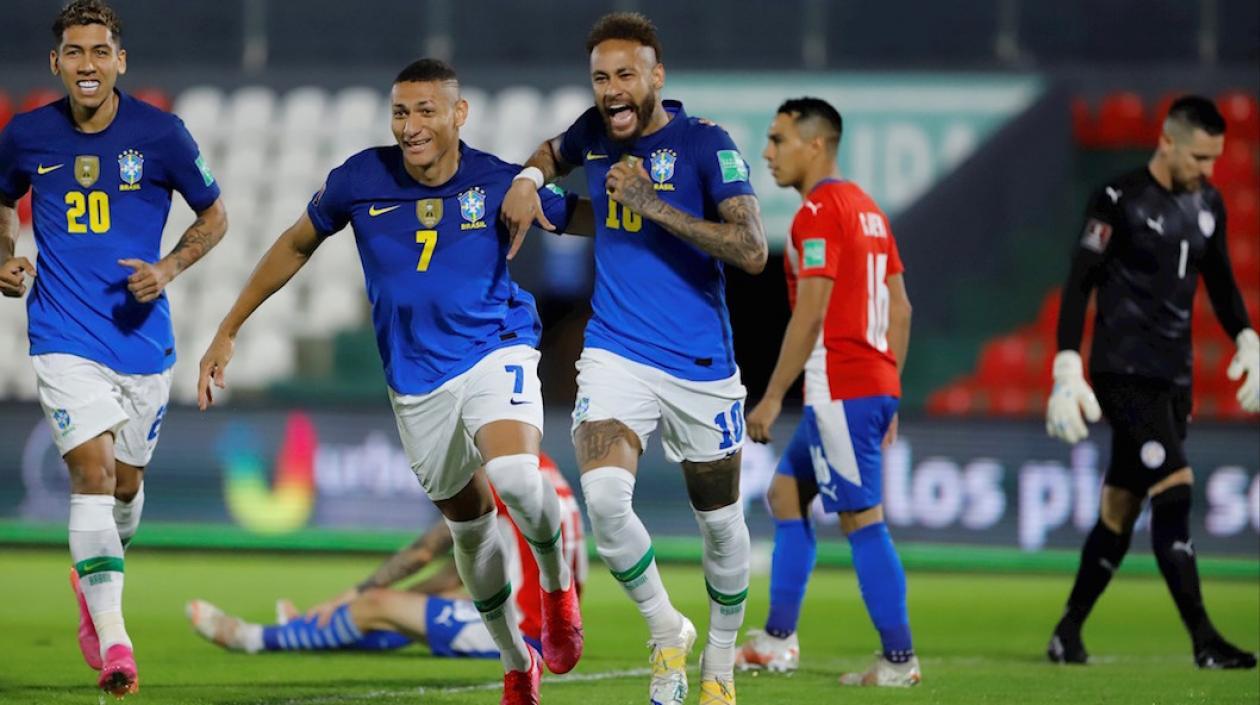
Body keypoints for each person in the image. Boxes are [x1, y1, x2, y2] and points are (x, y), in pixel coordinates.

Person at [196, 58, 590, 704]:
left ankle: (555, 595)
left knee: (518, 476)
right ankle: (518, 661)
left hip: (496, 349)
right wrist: (229, 327)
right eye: (401, 113)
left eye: (426, 111)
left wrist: (640, 204)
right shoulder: (358, 179)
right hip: (415, 383)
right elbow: (296, 243)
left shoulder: (497, 181)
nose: (411, 126)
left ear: (458, 114)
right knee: (470, 529)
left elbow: (580, 217)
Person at [501, 12, 767, 705]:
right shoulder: (594, 131)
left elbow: (751, 249)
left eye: (625, 74)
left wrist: (651, 203)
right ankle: (665, 633)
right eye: (600, 77)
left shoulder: (707, 145)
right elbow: (552, 154)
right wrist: (533, 181)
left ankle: (719, 658)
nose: (612, 89)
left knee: (720, 523)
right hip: (617, 352)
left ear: (656, 77)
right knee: (606, 503)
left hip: (701, 366)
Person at [0, 0, 228, 697]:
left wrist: (167, 270)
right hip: (63, 334)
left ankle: (91, 580)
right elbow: (2, 203)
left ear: (119, 61)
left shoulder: (161, 135)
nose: (88, 65)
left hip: (142, 343)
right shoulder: (25, 135)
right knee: (92, 475)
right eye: (75, 52)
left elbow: (215, 216)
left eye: (100, 52)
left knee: (125, 487)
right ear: (56, 63)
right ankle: (117, 644)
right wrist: (4, 254)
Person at [1045, 95, 1258, 669]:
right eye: (1199, 157)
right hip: (1125, 372)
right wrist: (1067, 362)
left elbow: (1222, 283)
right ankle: (1205, 640)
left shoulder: (1208, 203)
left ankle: (1067, 633)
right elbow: (1078, 282)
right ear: (1166, 142)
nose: (1208, 171)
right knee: (1177, 492)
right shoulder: (1118, 199)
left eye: (1215, 159)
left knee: (1119, 510)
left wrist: (1246, 337)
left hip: (1174, 378)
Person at [737, 98, 920, 687]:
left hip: (842, 385)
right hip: (869, 383)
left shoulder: (816, 212)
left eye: (778, 139)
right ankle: (777, 641)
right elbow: (903, 309)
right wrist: (890, 386)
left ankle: (899, 663)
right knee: (786, 494)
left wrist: (770, 397)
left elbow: (811, 312)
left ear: (815, 145)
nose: (767, 152)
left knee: (863, 520)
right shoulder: (868, 210)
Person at [187, 455, 587, 662]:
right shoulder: (542, 472)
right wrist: (408, 599)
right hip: (550, 620)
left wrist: (353, 596)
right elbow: (461, 572)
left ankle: (252, 638)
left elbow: (424, 551)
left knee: (378, 604)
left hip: (525, 632)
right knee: (411, 606)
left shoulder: (497, 479)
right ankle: (310, 628)